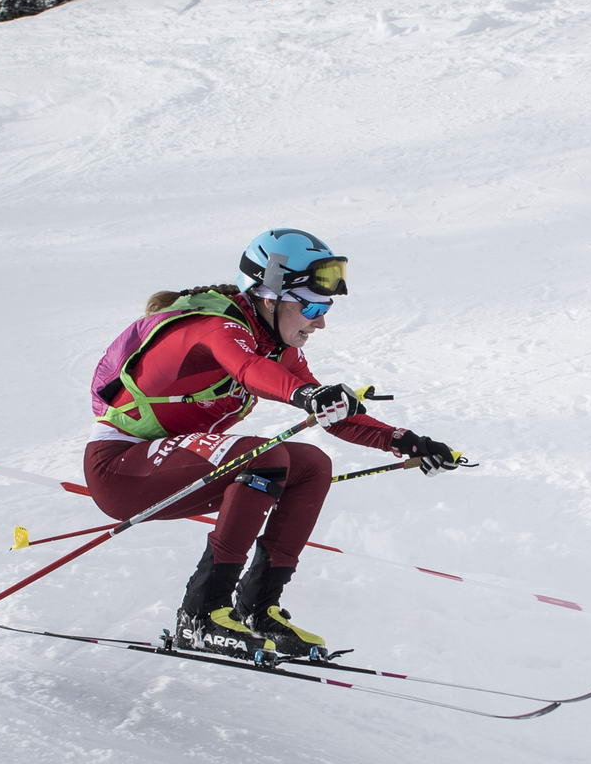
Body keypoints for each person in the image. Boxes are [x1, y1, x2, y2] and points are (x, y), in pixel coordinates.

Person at [83, 228, 461, 662]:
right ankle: (200, 614)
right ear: (270, 295)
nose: (320, 322)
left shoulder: (273, 343)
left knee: (311, 464)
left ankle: (256, 610)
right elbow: (246, 368)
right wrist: (303, 396)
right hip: (119, 468)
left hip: (171, 466)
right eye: (313, 307)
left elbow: (332, 414)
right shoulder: (215, 328)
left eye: (325, 309)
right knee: (265, 455)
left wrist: (403, 440)